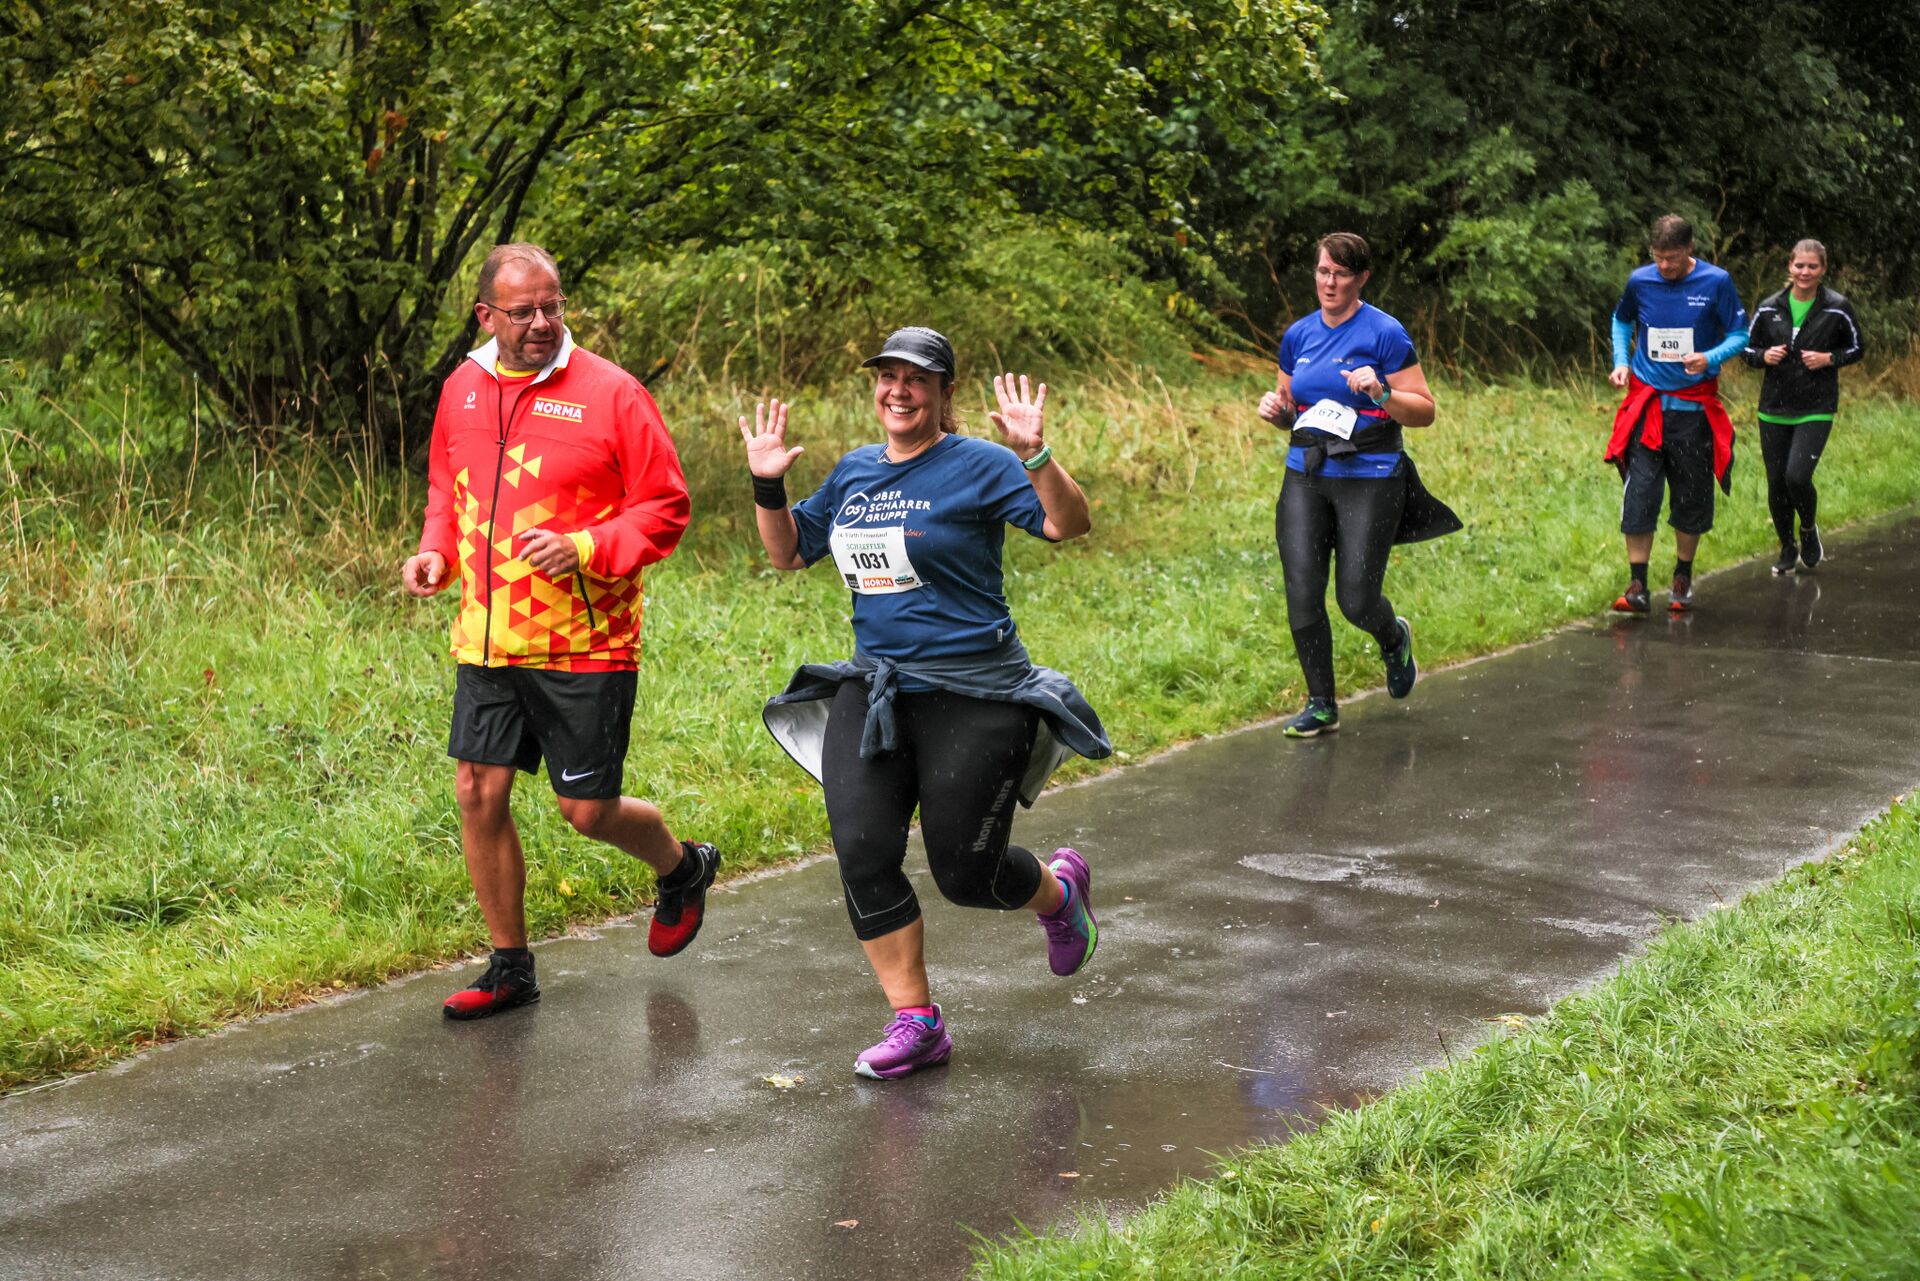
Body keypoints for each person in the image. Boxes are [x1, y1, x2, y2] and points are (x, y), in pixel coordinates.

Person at [745, 327, 1111, 1080]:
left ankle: (1059, 893)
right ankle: (917, 1021)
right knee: (862, 851)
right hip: (878, 688)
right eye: (888, 376)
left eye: (917, 378)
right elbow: (787, 552)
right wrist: (767, 485)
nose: (899, 391)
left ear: (945, 392)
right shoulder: (855, 471)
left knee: (965, 875)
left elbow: (1067, 524)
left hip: (976, 690)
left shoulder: (980, 463)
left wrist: (1035, 454)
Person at [402, 242, 719, 1021]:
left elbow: (666, 506)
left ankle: (682, 868)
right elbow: (447, 485)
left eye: (553, 306)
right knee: (477, 789)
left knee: (587, 811)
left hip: (586, 641)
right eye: (524, 311)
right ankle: (510, 967)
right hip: (487, 638)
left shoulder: (612, 393)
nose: (543, 322)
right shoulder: (462, 389)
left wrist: (585, 546)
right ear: (486, 316)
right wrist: (436, 550)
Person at [1256, 232, 1456, 739]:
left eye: (1341, 274)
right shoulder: (1298, 336)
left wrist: (1381, 391)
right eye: (1323, 272)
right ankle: (1321, 703)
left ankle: (1393, 639)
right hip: (1306, 474)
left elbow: (1425, 411)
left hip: (1370, 475)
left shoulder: (1386, 334)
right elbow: (1293, 410)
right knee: (1302, 590)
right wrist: (1276, 413)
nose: (1329, 283)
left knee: (1356, 601)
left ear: (1361, 278)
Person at [1604, 215, 1749, 613]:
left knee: (1691, 496)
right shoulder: (1640, 281)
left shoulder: (1716, 282)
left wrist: (1710, 357)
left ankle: (1682, 576)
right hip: (1648, 408)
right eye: (1658, 257)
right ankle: (1637, 585)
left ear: (1690, 249)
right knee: (1640, 494)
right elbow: (1621, 320)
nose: (1664, 265)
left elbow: (1740, 334)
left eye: (1672, 257)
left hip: (1693, 411)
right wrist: (1621, 362)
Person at [1741, 239, 1865, 574]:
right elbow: (1746, 350)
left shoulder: (1837, 307)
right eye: (1799, 265)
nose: (1805, 272)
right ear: (1789, 266)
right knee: (1777, 483)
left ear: (1823, 269)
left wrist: (1829, 359)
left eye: (1812, 266)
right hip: (1773, 407)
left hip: (1816, 405)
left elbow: (1858, 348)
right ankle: (1786, 546)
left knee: (1797, 476)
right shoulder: (1769, 307)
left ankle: (1808, 529)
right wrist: (1764, 356)